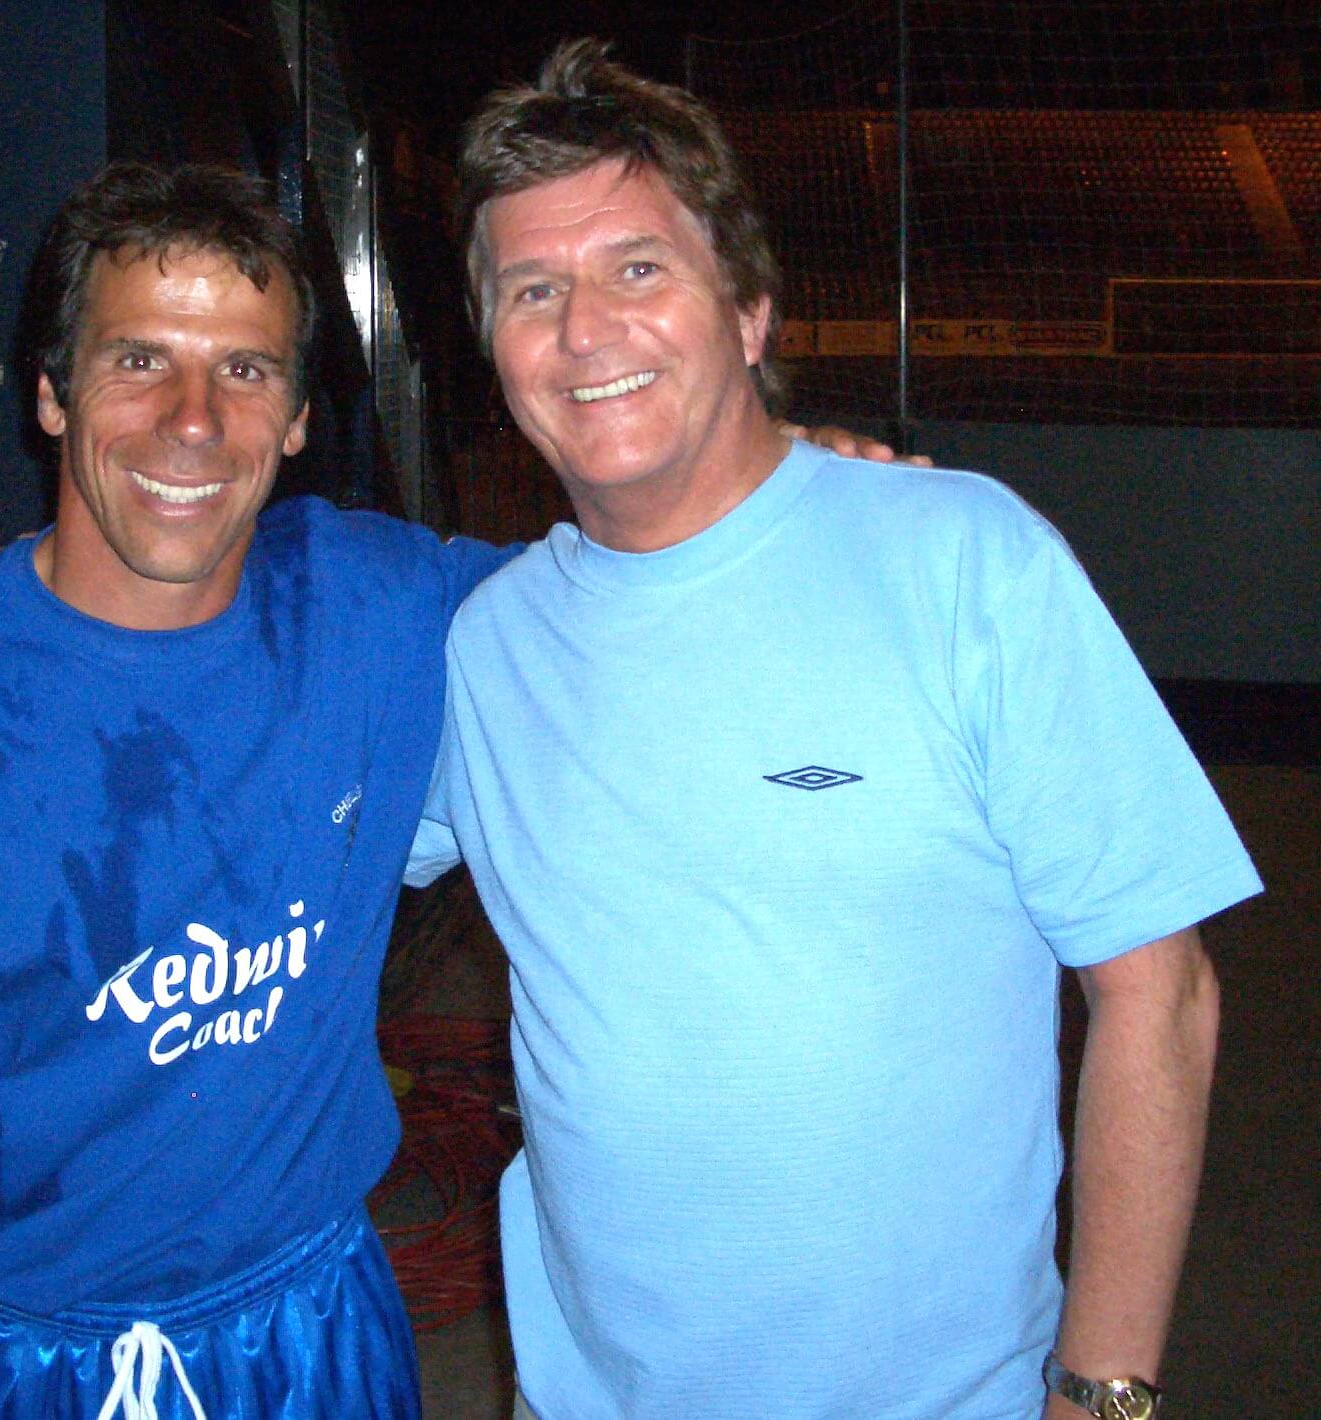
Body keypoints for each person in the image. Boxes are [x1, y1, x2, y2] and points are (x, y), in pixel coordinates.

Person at [405, 40, 1262, 1420]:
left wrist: (1103, 1393)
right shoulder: (482, 648)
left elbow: (1162, 994)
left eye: (638, 269)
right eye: (532, 289)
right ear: (493, 349)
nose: (584, 330)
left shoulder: (966, 560)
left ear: (747, 310)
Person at [0, 162, 511, 1420]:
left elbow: (636, 584)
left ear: (296, 418)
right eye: (138, 360)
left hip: (311, 1325)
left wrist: (807, 479)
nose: (192, 419)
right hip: (4, 1358)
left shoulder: (380, 606)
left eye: (243, 369)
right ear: (51, 393)